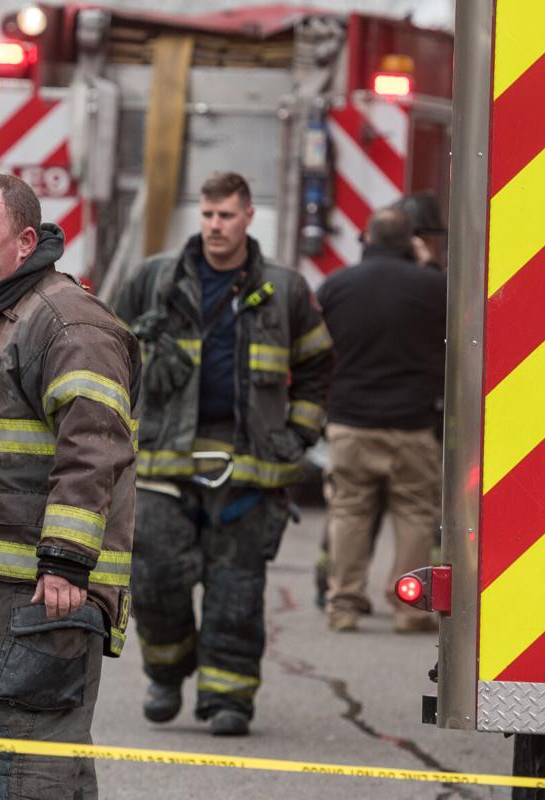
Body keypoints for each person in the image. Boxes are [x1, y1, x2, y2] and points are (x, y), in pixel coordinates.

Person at [0, 173, 139, 799]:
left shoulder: (69, 328)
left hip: (45, 594)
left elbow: (93, 452)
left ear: (24, 240)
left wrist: (65, 565)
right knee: (42, 765)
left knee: (14, 767)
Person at [113, 171, 332, 736]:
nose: (215, 226)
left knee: (237, 591)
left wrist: (298, 436)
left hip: (249, 469)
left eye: (226, 216)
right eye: (208, 215)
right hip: (163, 461)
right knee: (155, 579)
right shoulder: (154, 279)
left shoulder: (284, 290)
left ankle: (228, 698)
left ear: (248, 216)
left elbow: (318, 369)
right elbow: (111, 351)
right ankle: (166, 673)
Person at [316, 206, 446, 634]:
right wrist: (426, 264)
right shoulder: (434, 287)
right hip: (413, 424)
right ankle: (409, 609)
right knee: (414, 513)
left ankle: (343, 606)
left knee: (349, 511)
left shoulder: (336, 286)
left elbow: (318, 351)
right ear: (410, 242)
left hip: (351, 422)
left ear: (367, 239)